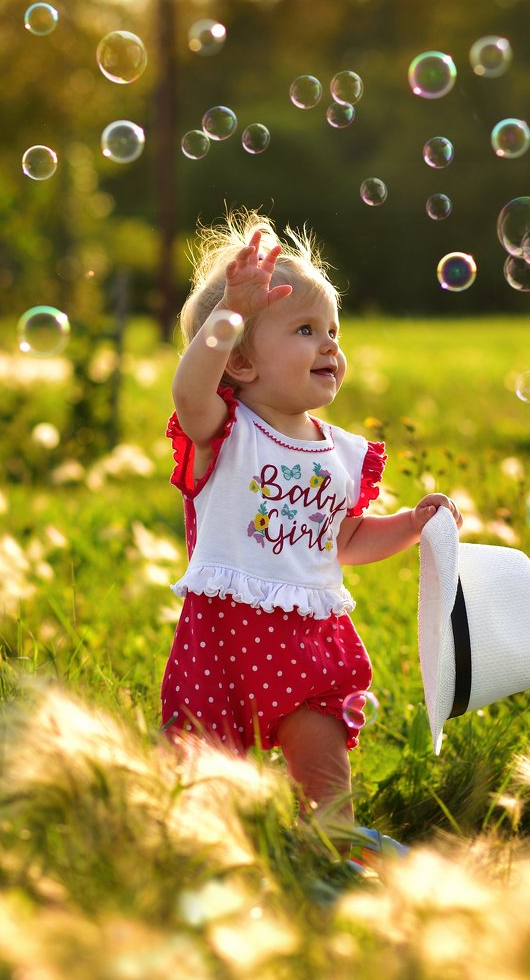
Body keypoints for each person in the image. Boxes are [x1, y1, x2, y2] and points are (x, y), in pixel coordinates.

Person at [162, 209, 462, 831]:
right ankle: (203, 848)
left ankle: (331, 843)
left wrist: (408, 524)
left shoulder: (343, 453)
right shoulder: (224, 430)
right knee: (204, 775)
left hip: (307, 634)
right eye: (305, 330)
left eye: (333, 329)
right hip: (223, 633)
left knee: (324, 764)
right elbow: (190, 390)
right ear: (240, 364)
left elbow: (345, 538)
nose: (330, 345)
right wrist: (231, 315)